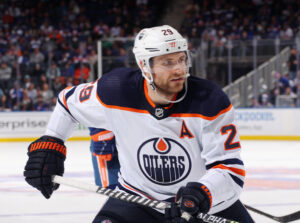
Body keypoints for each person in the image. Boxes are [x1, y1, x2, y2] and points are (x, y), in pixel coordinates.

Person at [24, 25, 254, 223]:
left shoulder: (210, 100)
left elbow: (230, 170)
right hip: (137, 199)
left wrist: (202, 195)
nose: (179, 69)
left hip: (200, 205)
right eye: (168, 62)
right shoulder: (116, 90)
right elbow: (67, 102)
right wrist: (51, 141)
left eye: (182, 59)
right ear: (145, 66)